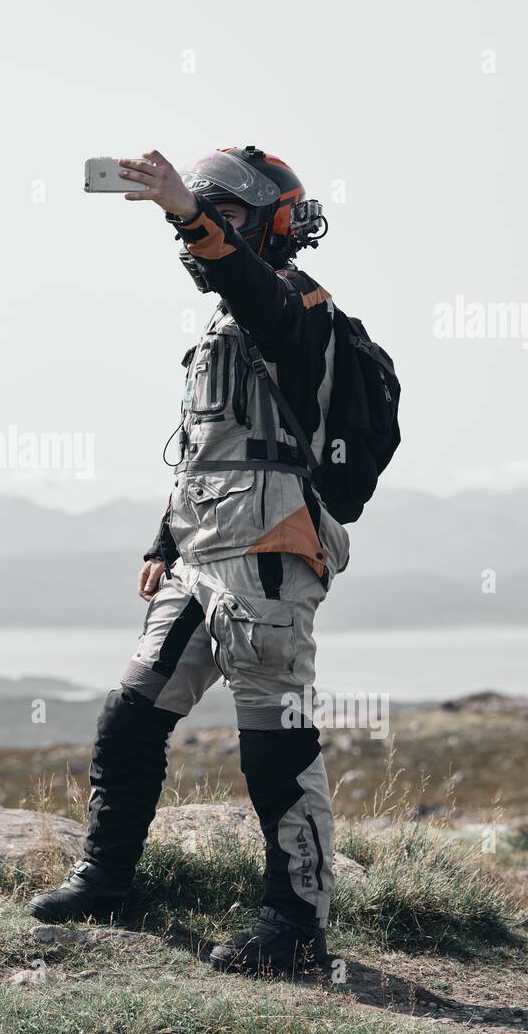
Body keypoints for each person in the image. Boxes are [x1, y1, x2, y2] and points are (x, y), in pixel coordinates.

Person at [27, 145, 350, 978]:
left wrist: (181, 207)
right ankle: (106, 881)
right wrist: (162, 540)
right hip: (200, 556)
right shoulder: (221, 328)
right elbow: (210, 451)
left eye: (231, 217)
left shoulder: (296, 307)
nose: (205, 234)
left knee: (273, 740)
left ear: (276, 227)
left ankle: (295, 927)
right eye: (207, 216)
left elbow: (253, 289)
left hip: (268, 558)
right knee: (130, 716)